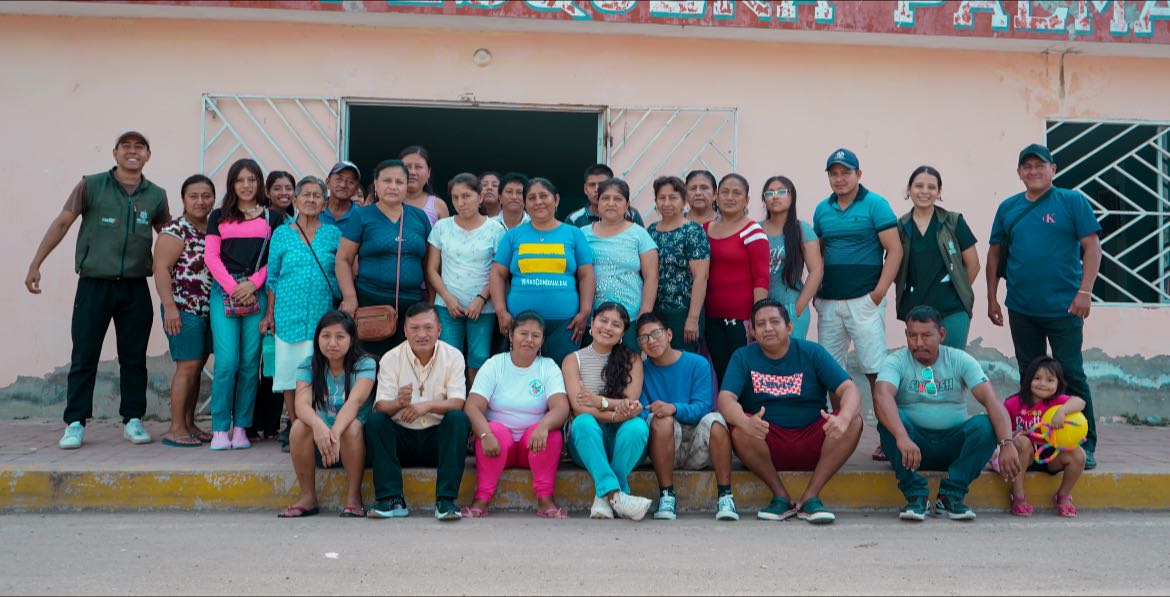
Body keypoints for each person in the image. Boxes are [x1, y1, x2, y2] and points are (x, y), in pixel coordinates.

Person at [28, 131, 170, 450]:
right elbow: (62, 223)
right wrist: (36, 263)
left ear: (148, 155)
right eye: (126, 146)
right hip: (94, 284)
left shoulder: (156, 195)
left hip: (135, 285)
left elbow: (168, 237)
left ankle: (133, 419)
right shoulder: (91, 185)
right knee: (84, 354)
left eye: (139, 147)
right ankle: (75, 422)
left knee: (134, 357)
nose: (133, 152)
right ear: (115, 153)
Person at [986, 143, 1102, 470]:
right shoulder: (1008, 208)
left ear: (1053, 169)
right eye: (1027, 166)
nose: (1034, 171)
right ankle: (1035, 440)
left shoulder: (1072, 201)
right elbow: (995, 254)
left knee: (1071, 373)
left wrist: (1085, 291)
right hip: (1021, 307)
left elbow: (1092, 247)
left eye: (1040, 165)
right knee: (1029, 375)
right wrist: (992, 297)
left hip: (1066, 307)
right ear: (1019, 172)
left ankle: (1084, 443)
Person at [718, 299, 863, 524]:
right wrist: (746, 423)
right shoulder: (742, 357)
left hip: (813, 440)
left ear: (789, 327)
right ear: (753, 332)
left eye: (774, 322)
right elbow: (725, 399)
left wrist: (843, 417)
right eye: (760, 324)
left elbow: (849, 389)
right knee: (738, 428)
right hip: (766, 442)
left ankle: (811, 497)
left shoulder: (812, 352)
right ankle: (780, 497)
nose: (768, 328)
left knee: (854, 422)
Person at [872, 305, 1021, 522]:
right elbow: (882, 395)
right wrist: (902, 437)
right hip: (910, 447)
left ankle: (950, 496)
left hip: (953, 446)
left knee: (985, 425)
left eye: (926, 336)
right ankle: (916, 496)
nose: (918, 343)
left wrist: (1007, 443)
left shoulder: (959, 360)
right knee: (889, 421)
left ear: (941, 334)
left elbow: (991, 400)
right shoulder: (896, 361)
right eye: (912, 336)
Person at [813, 148, 901, 462]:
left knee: (876, 371)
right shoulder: (822, 210)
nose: (839, 179)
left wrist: (878, 293)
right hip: (829, 302)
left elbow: (895, 250)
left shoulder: (875, 204)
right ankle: (840, 436)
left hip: (865, 301)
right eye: (834, 173)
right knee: (832, 373)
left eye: (845, 172)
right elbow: (818, 254)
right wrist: (816, 293)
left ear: (858, 174)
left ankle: (887, 440)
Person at [205, 158, 285, 451]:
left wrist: (253, 283)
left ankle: (240, 428)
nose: (246, 185)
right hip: (224, 291)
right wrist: (234, 287)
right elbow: (211, 257)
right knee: (227, 362)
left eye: (252, 179)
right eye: (240, 180)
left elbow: (276, 257)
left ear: (260, 183)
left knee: (251, 364)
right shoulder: (218, 216)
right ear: (232, 184)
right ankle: (219, 428)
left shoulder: (273, 218)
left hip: (257, 292)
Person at [366, 303, 470, 521]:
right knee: (375, 421)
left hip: (437, 442)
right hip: (401, 441)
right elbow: (380, 405)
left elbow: (458, 402)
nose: (422, 334)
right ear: (405, 331)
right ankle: (391, 499)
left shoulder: (453, 356)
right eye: (414, 328)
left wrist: (426, 406)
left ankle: (445, 501)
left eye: (428, 327)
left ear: (439, 329)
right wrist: (398, 403)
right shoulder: (390, 358)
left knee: (458, 419)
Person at [462, 311, 571, 519]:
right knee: (494, 429)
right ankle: (481, 500)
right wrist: (484, 434)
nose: (529, 340)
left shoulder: (548, 367)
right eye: (523, 333)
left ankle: (545, 500)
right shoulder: (495, 364)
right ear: (511, 335)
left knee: (552, 433)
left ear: (542, 341)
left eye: (535, 336)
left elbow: (561, 407)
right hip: (496, 444)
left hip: (533, 446)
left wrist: (543, 426)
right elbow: (472, 406)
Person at [263, 176, 341, 453]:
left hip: (322, 315)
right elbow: (272, 277)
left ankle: (317, 423)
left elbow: (342, 271)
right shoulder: (281, 234)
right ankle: (297, 428)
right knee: (289, 373)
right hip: (287, 313)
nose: (310, 199)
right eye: (305, 195)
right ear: (295, 200)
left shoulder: (333, 234)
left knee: (318, 371)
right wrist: (269, 313)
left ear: (325, 203)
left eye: (317, 195)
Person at [635, 312, 736, 521]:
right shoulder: (640, 370)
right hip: (662, 445)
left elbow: (703, 407)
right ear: (640, 345)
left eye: (656, 334)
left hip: (696, 444)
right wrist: (664, 413)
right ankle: (667, 495)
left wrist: (674, 408)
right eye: (644, 338)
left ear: (669, 334)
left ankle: (725, 496)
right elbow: (642, 411)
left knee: (716, 421)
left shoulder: (697, 363)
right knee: (660, 420)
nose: (651, 341)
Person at [278, 311, 376, 518]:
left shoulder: (365, 364)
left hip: (356, 444)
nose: (332, 343)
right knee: (299, 426)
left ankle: (354, 498)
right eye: (326, 336)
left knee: (352, 426)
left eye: (340, 337)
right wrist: (318, 426)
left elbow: (355, 402)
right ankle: (308, 497)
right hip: (323, 445)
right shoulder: (308, 364)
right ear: (317, 339)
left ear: (351, 339)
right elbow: (301, 404)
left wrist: (335, 433)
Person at [490, 177, 596, 366]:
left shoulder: (573, 234)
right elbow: (498, 274)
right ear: (525, 204)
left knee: (562, 374)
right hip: (521, 324)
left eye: (543, 196)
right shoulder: (513, 235)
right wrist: (500, 311)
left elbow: (586, 274)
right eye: (531, 198)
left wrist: (585, 311)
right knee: (522, 373)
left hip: (566, 324)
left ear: (556, 199)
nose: (538, 202)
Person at [563, 303, 653, 521]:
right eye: (603, 320)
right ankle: (616, 494)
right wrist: (614, 412)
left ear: (623, 333)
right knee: (583, 422)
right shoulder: (572, 360)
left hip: (625, 443)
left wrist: (598, 401)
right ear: (592, 323)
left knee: (638, 426)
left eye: (616, 324)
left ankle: (603, 496)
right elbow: (579, 408)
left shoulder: (632, 360)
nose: (608, 328)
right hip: (588, 442)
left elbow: (630, 404)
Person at [336, 159, 432, 358]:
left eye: (399, 182)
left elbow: (429, 265)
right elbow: (343, 259)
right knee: (370, 363)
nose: (393, 186)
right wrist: (350, 297)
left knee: (408, 363)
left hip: (412, 305)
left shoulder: (420, 218)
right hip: (370, 304)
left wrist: (430, 302)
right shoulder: (362, 216)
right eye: (387, 181)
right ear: (376, 184)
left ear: (406, 187)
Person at [426, 173, 505, 383]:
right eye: (455, 197)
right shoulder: (442, 227)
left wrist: (481, 299)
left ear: (480, 197)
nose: (460, 202)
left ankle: (475, 399)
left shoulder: (495, 229)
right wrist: (446, 297)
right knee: (448, 357)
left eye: (466, 196)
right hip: (447, 305)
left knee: (479, 358)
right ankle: (452, 400)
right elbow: (431, 269)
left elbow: (499, 272)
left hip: (483, 307)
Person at [154, 174, 214, 447]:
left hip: (206, 310)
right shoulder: (176, 230)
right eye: (194, 196)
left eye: (206, 196)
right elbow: (161, 269)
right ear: (183, 199)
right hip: (182, 309)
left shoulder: (211, 228)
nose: (200, 201)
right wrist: (170, 307)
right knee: (187, 366)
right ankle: (176, 428)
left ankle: (189, 424)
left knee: (197, 366)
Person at [894, 166, 979, 349]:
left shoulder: (953, 222)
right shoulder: (901, 227)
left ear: (939, 191)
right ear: (909, 189)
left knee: (952, 362)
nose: (925, 191)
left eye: (931, 187)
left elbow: (973, 265)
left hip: (952, 310)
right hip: (916, 312)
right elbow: (895, 269)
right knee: (922, 363)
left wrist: (955, 290)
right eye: (919, 186)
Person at [1002, 356, 1087, 518]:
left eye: (1050, 380)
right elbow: (1001, 429)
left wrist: (1062, 411)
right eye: (1037, 378)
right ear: (1028, 379)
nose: (1043, 384)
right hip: (1025, 456)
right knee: (1022, 441)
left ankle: (1063, 496)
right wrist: (1014, 435)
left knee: (1079, 455)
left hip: (1052, 456)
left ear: (1058, 384)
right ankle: (1018, 496)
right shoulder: (1013, 403)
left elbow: (1081, 402)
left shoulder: (1058, 401)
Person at [704, 173, 769, 383]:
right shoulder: (705, 229)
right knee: (720, 373)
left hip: (742, 319)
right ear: (716, 196)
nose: (730, 197)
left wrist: (758, 318)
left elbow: (761, 278)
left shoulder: (753, 231)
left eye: (737, 193)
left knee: (742, 375)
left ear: (746, 200)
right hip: (710, 317)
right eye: (725, 192)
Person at [582, 178, 659, 350]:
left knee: (628, 364)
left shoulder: (639, 234)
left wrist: (645, 313)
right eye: (605, 198)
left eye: (617, 199)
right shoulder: (582, 234)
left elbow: (652, 276)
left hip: (630, 318)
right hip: (593, 319)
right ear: (597, 202)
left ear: (627, 204)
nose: (611, 203)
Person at [254, 169, 299, 441]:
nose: (284, 193)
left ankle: (270, 423)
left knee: (276, 362)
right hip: (260, 292)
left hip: (283, 297)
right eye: (277, 188)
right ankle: (254, 422)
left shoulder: (295, 221)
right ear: (267, 192)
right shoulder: (263, 219)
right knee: (261, 362)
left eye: (288, 188)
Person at [647, 175, 709, 352]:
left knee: (682, 360)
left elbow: (701, 277)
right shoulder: (650, 231)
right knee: (657, 357)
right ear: (656, 201)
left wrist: (693, 318)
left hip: (683, 312)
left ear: (684, 201)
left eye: (673, 198)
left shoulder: (693, 231)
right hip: (656, 310)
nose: (667, 203)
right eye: (662, 198)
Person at [760, 175, 823, 341]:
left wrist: (797, 308)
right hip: (760, 308)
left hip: (790, 307)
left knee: (791, 355)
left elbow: (816, 271)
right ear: (764, 199)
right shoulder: (755, 229)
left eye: (781, 192)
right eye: (769, 193)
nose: (775, 196)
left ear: (792, 196)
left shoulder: (802, 229)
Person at [566, 164, 644, 227]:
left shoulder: (631, 214)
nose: (597, 189)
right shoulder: (574, 219)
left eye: (602, 184)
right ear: (585, 189)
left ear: (612, 185)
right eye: (592, 185)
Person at [400, 145, 449, 225]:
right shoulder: (385, 201)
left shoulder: (438, 205)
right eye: (407, 167)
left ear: (429, 172)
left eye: (418, 167)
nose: (412, 172)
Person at [320, 161, 361, 228]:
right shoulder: (315, 211)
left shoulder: (361, 217)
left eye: (350, 182)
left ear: (356, 189)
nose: (343, 185)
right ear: (327, 182)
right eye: (338, 179)